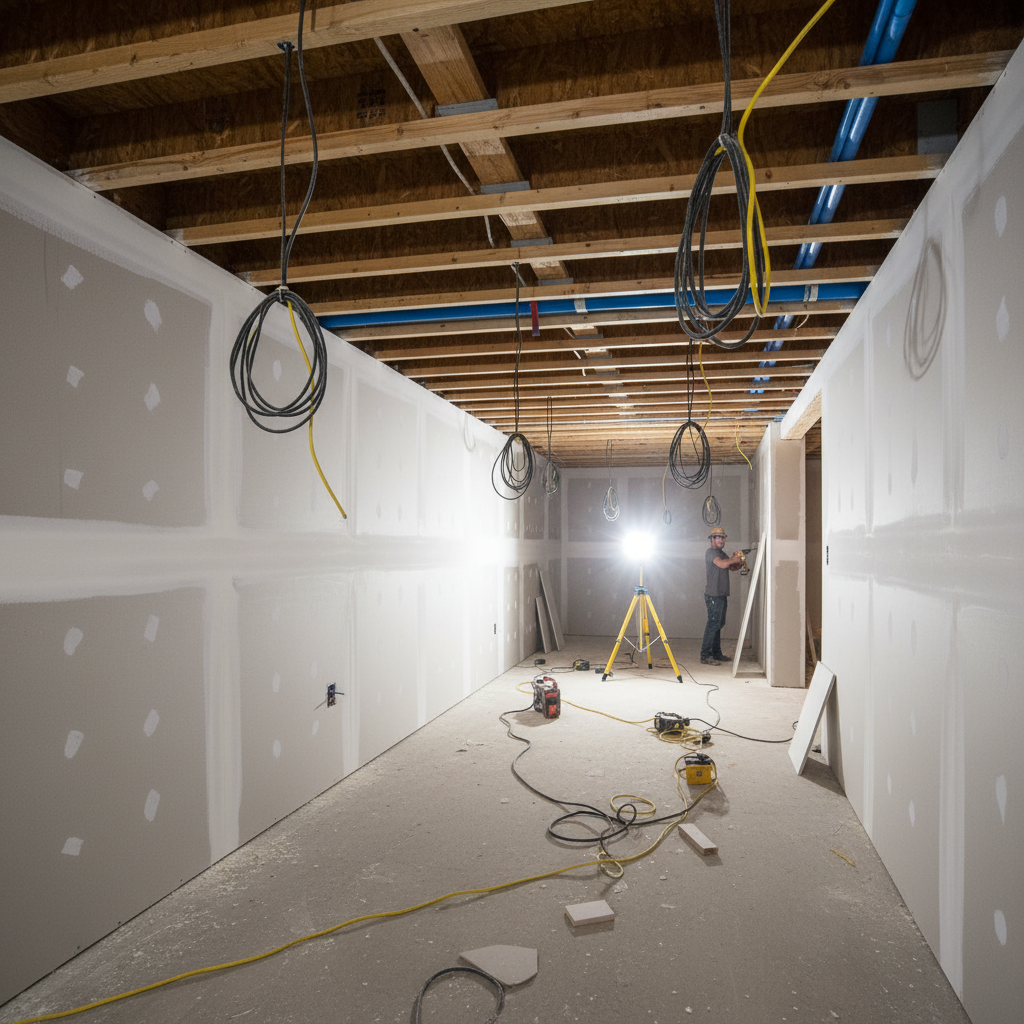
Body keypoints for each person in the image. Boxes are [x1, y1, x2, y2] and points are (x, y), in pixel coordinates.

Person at [701, 526, 743, 665]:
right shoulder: (711, 553)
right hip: (713, 595)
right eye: (718, 537)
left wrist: (740, 561)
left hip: (721, 594)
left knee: (719, 624)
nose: (721, 540)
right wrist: (733, 558)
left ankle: (717, 653)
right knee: (713, 624)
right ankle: (705, 655)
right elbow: (723, 564)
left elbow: (733, 567)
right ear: (712, 539)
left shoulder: (722, 553)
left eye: (723, 537)